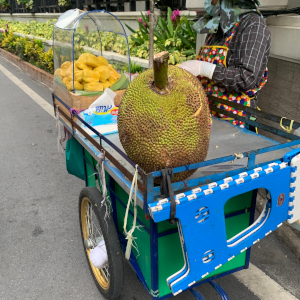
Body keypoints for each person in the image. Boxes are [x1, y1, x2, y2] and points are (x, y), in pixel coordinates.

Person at [180, 0, 271, 129]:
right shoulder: (218, 30)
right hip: (209, 114)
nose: (209, 2)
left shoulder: (254, 26)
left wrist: (203, 68)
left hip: (236, 119)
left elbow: (247, 77)